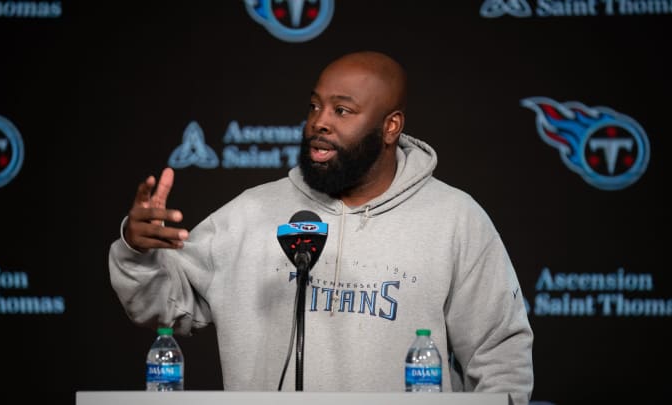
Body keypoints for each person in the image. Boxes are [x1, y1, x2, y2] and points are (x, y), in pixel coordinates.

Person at [108, 50, 534, 404]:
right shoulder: (252, 212)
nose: (319, 122)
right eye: (315, 106)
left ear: (391, 127)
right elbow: (162, 306)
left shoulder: (455, 219)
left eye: (342, 110)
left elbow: (501, 359)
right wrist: (137, 250)